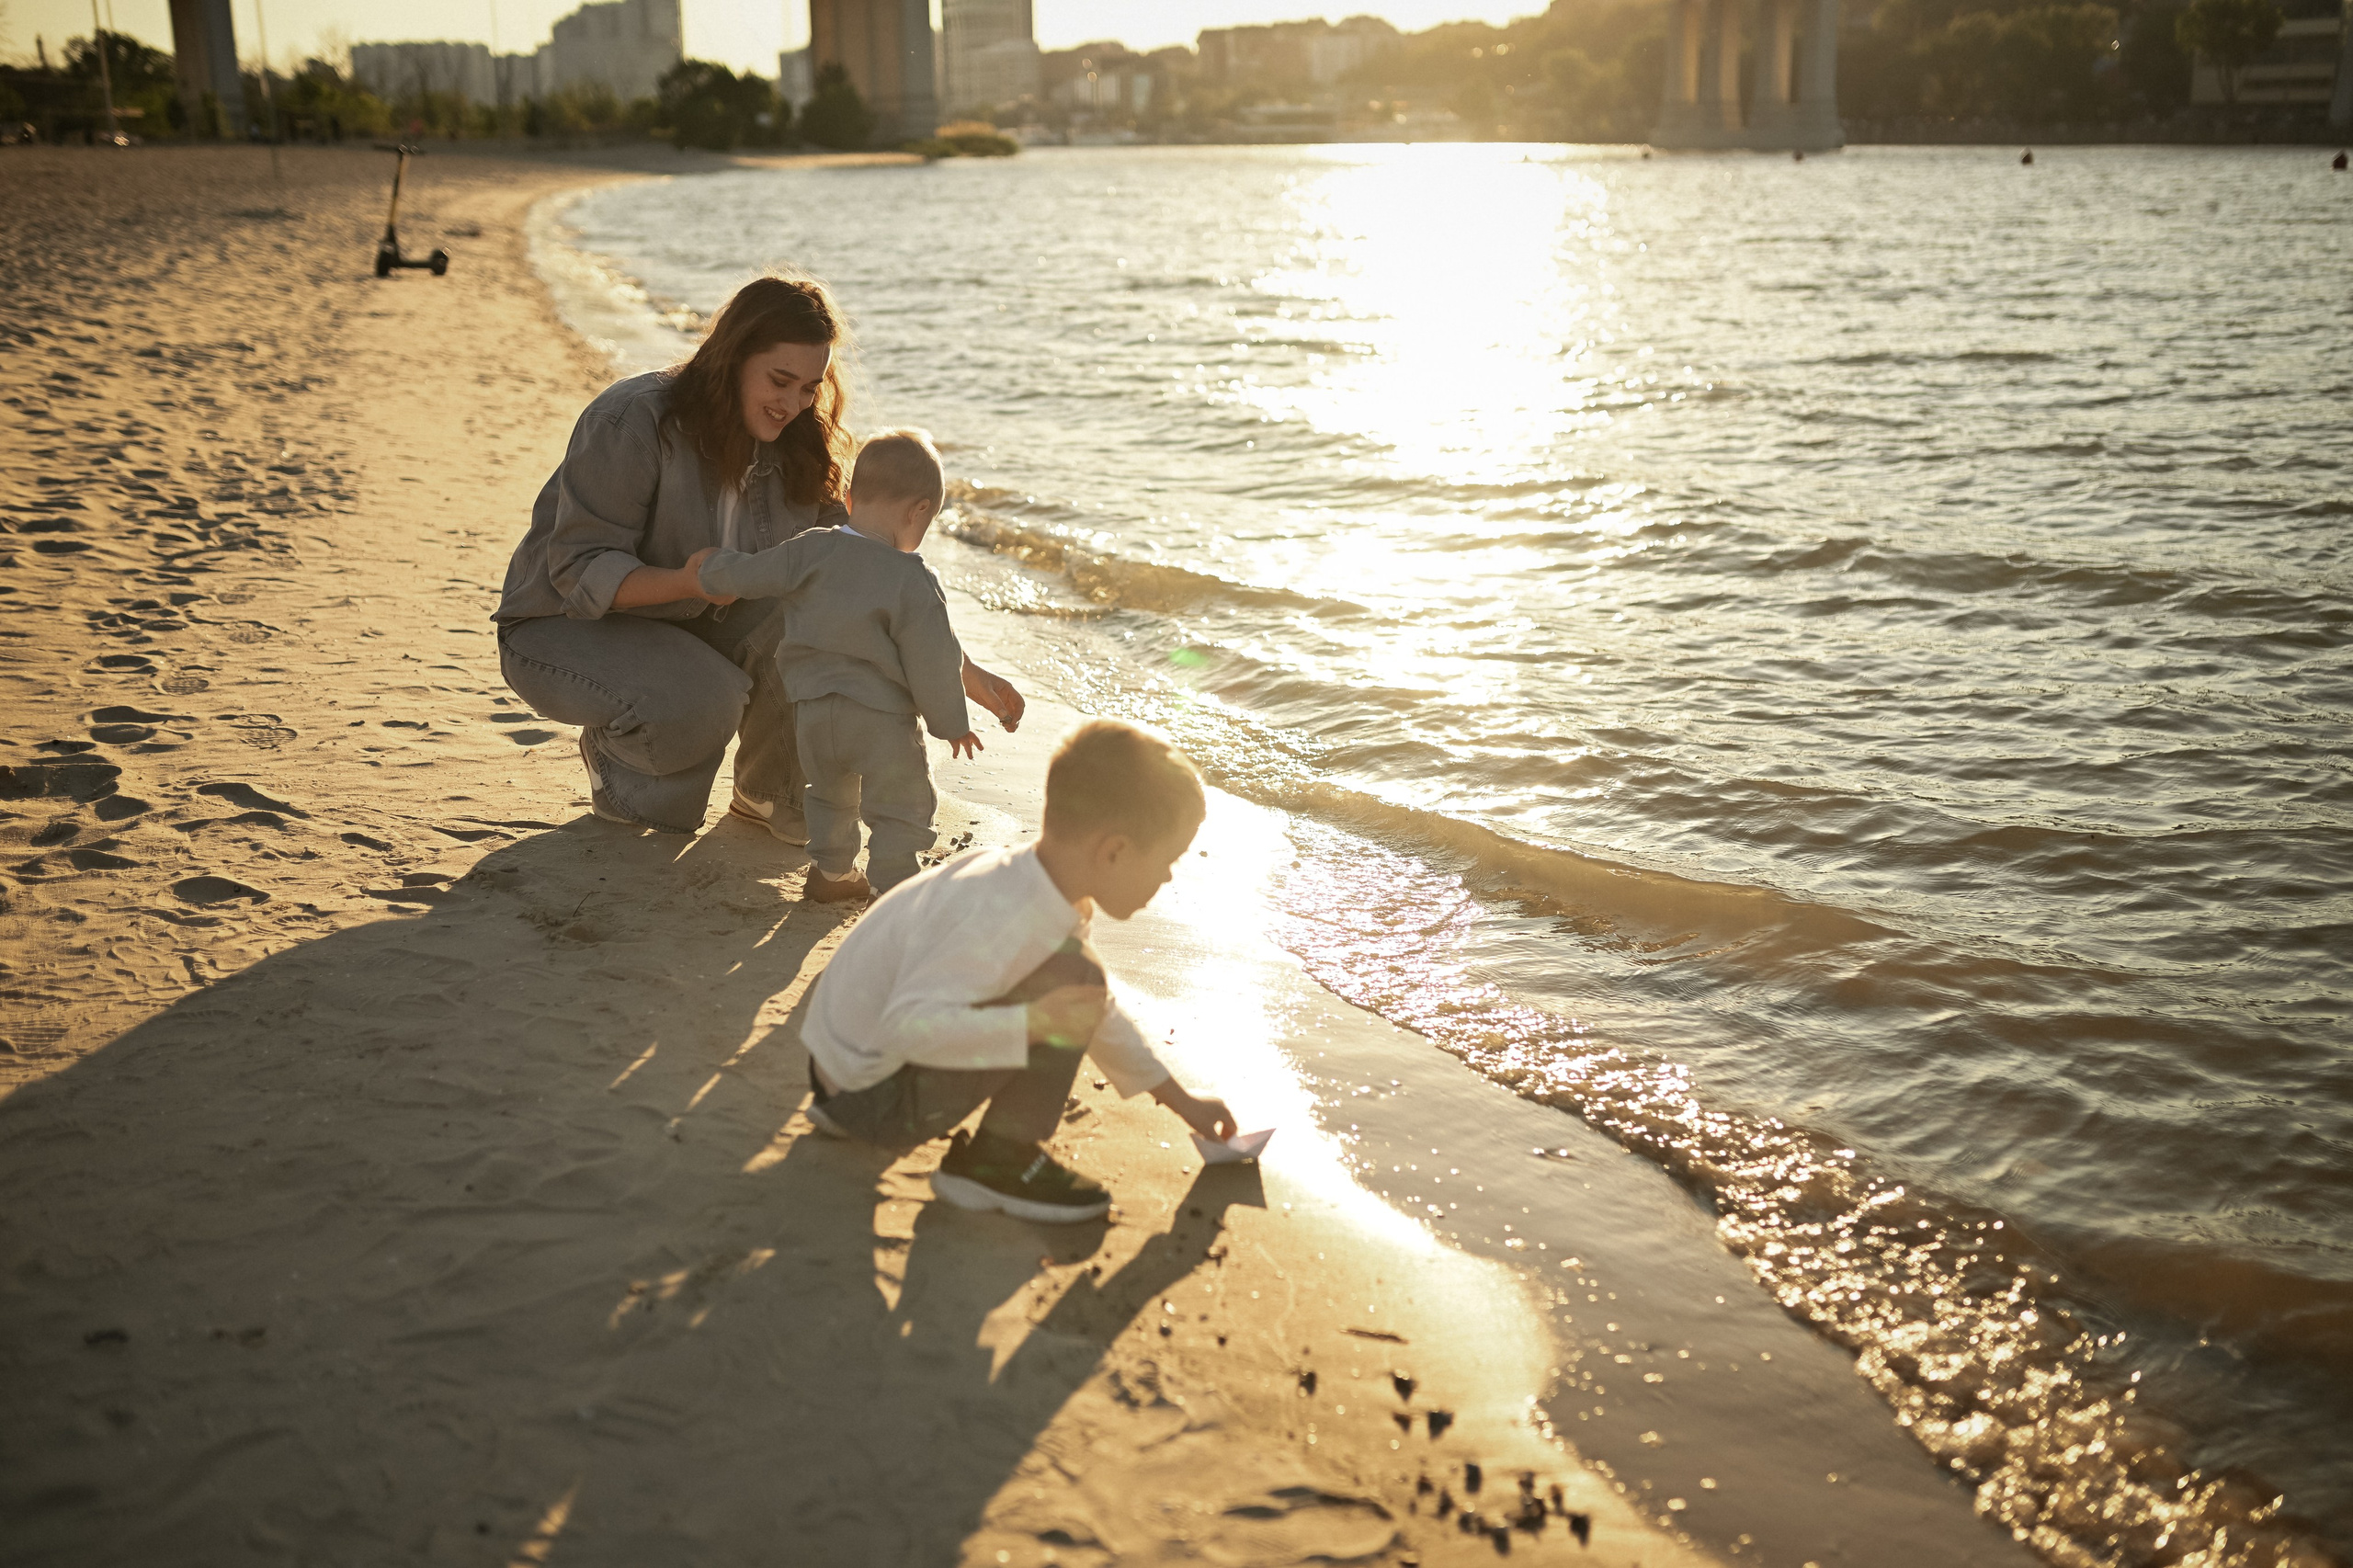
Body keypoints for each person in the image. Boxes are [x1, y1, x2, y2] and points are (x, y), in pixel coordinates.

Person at [492, 274, 1021, 839]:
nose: (792, 404)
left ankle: (770, 793)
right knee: (681, 761)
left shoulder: (797, 442)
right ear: (733, 358)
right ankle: (614, 749)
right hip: (565, 627)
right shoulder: (631, 421)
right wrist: (687, 581)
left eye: (809, 387)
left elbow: (863, 571)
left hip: (692, 620)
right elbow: (577, 571)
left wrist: (960, 672)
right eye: (779, 380)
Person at [796, 720, 1236, 1223]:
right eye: (1169, 861)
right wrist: (1035, 1024)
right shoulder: (1004, 916)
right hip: (867, 1096)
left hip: (841, 1075)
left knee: (1075, 985)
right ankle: (997, 1162)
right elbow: (906, 1026)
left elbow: (1096, 1012)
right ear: (1113, 850)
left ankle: (975, 1146)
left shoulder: (1022, 881)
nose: (1167, 877)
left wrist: (1182, 1102)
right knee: (1070, 990)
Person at [697, 428, 1019, 902]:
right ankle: (892, 890)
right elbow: (934, 659)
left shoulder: (810, 548)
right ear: (920, 511)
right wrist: (952, 724)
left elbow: (751, 573)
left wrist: (710, 569)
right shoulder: (913, 580)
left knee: (829, 795)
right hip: (880, 720)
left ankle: (832, 874)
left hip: (812, 714)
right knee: (901, 807)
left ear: (848, 498)